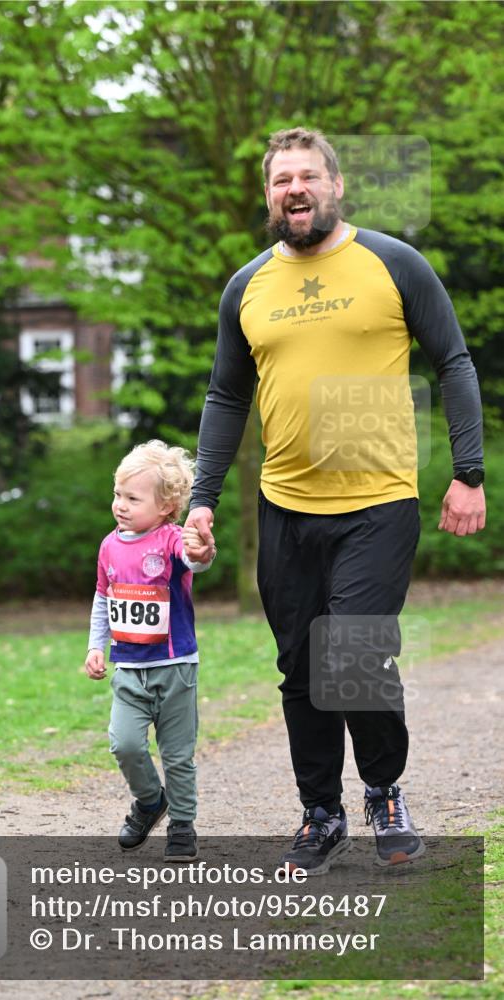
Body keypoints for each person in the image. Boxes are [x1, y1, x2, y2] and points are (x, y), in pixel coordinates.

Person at [184, 127, 486, 874]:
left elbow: (452, 361)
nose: (295, 188)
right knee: (298, 668)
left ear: (334, 185)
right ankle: (319, 814)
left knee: (350, 652)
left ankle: (382, 788)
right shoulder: (245, 287)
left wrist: (467, 472)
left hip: (376, 500)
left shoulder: (391, 263)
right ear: (267, 194)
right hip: (283, 505)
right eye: (281, 178)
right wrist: (200, 499)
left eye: (307, 175)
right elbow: (226, 396)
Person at [85, 440, 215, 861]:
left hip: (175, 667)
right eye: (117, 495)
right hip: (128, 669)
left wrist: (201, 552)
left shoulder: (171, 538)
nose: (120, 505)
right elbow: (103, 598)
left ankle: (182, 824)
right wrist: (96, 646)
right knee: (124, 743)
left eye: (132, 498)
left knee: (177, 755)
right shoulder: (109, 545)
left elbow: (194, 559)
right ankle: (148, 801)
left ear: (165, 506)